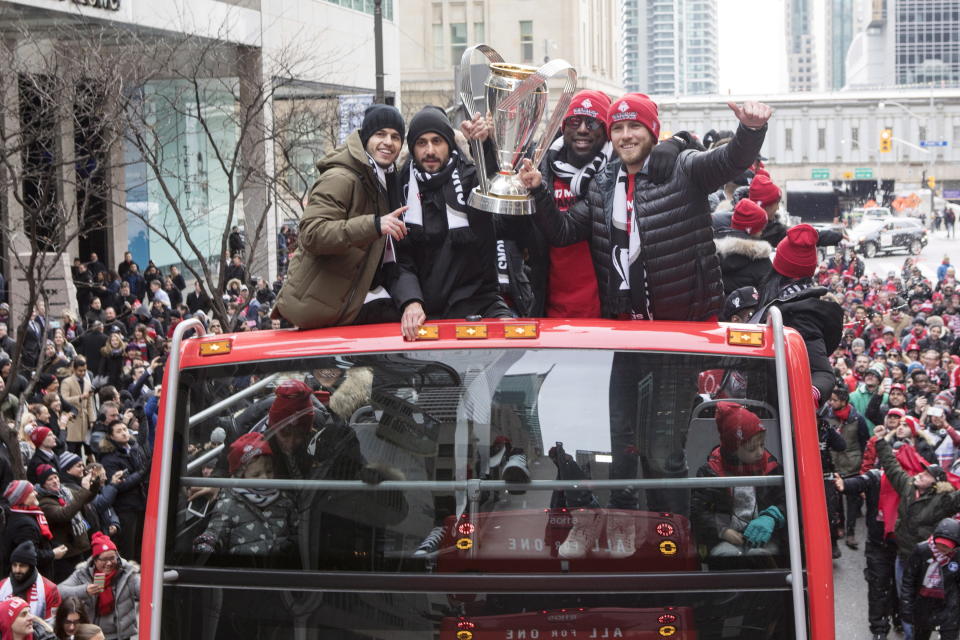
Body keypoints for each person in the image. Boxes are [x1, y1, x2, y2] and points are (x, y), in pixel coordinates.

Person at [524, 97, 771, 322]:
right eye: (618, 128)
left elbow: (730, 160)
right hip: (624, 326)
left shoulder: (684, 168)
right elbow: (563, 232)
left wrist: (750, 130)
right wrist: (538, 190)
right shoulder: (602, 185)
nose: (626, 135)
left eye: (635, 126)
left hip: (686, 323)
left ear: (653, 132)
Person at [273, 104, 409, 329]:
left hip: (348, 302)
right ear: (366, 137)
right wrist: (374, 225)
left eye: (395, 136)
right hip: (319, 311)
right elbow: (312, 234)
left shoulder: (385, 178)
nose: (389, 142)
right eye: (380, 134)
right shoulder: (341, 177)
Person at [388, 107, 514, 339]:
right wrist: (411, 301)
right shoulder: (400, 189)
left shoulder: (470, 178)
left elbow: (493, 186)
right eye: (422, 143)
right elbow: (401, 260)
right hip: (426, 314)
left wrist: (484, 145)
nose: (430, 150)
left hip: (481, 306)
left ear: (449, 143)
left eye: (437, 141)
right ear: (413, 149)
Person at [873, 423, 960, 640]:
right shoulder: (908, 486)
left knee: (927, 602)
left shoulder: (943, 500)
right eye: (922, 471)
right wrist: (881, 441)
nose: (921, 474)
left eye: (928, 473)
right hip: (903, 556)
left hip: (928, 561)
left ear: (936, 483)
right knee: (906, 599)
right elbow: (892, 467)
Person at [752, 224, 844, 407]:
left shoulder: (800, 314)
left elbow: (823, 373)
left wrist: (802, 400)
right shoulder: (779, 299)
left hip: (775, 414)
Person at [691, 402, 786, 562]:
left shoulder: (772, 468)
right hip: (725, 537)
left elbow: (787, 500)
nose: (760, 452)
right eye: (751, 449)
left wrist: (772, 516)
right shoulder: (710, 473)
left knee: (763, 557)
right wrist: (722, 530)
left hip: (765, 534)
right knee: (726, 557)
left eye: (762, 445)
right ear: (732, 448)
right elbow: (698, 511)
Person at [192, 433, 298, 561]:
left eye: (269, 471)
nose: (265, 478)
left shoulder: (284, 501)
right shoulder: (229, 503)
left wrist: (291, 546)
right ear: (240, 476)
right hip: (244, 571)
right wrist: (206, 546)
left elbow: (298, 532)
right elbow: (215, 532)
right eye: (256, 474)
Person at [57, 533, 139, 640]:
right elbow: (59, 591)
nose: (109, 563)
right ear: (95, 560)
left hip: (119, 636)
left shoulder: (127, 573)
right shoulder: (83, 573)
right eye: (104, 559)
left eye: (112, 558)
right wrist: (84, 590)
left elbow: (145, 590)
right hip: (91, 636)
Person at [824, 385, 869, 548]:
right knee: (836, 500)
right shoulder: (828, 417)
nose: (831, 403)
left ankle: (851, 532)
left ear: (843, 402)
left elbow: (864, 442)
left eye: (834, 400)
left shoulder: (858, 419)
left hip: (852, 464)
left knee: (852, 501)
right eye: (830, 399)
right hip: (834, 464)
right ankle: (839, 527)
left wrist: (862, 463)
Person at [901, 517, 960, 640]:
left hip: (949, 607)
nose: (943, 549)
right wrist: (906, 607)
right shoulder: (922, 550)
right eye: (941, 544)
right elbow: (909, 580)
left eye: (947, 547)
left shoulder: (957, 556)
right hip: (924, 605)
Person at [34, 465, 95, 583]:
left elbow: (86, 497)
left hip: (78, 548)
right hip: (65, 554)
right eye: (50, 479)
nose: (55, 481)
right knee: (70, 588)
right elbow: (64, 514)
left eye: (56, 477)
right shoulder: (44, 502)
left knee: (85, 582)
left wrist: (93, 482)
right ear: (43, 483)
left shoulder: (66, 491)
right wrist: (84, 490)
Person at [97, 422, 147, 562]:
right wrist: (142, 473)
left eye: (125, 429)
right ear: (111, 436)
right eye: (119, 431)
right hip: (125, 506)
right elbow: (120, 485)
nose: (124, 433)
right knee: (127, 547)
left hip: (140, 503)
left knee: (140, 544)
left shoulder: (134, 449)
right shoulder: (109, 458)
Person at [1, 481, 67, 580]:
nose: (36, 493)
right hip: (32, 580)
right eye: (32, 491)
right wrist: (53, 554)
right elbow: (28, 555)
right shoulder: (24, 524)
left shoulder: (22, 515)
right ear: (22, 498)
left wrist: (53, 546)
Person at [715, 199, 773, 296]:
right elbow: (769, 294)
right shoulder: (760, 259)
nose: (762, 232)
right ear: (751, 229)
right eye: (761, 228)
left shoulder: (709, 250)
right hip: (747, 310)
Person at [0, 541, 61, 623]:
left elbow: (52, 625)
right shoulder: (2, 586)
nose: (17, 570)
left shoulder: (50, 589)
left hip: (39, 634)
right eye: (14, 565)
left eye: (22, 566)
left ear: (31, 567)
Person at [60, 359, 95, 457]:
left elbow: (89, 403)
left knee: (80, 448)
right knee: (71, 447)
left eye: (84, 370)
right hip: (71, 419)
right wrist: (79, 397)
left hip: (83, 420)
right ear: (74, 370)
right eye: (80, 370)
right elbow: (63, 399)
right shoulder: (67, 382)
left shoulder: (87, 382)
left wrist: (92, 419)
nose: (83, 373)